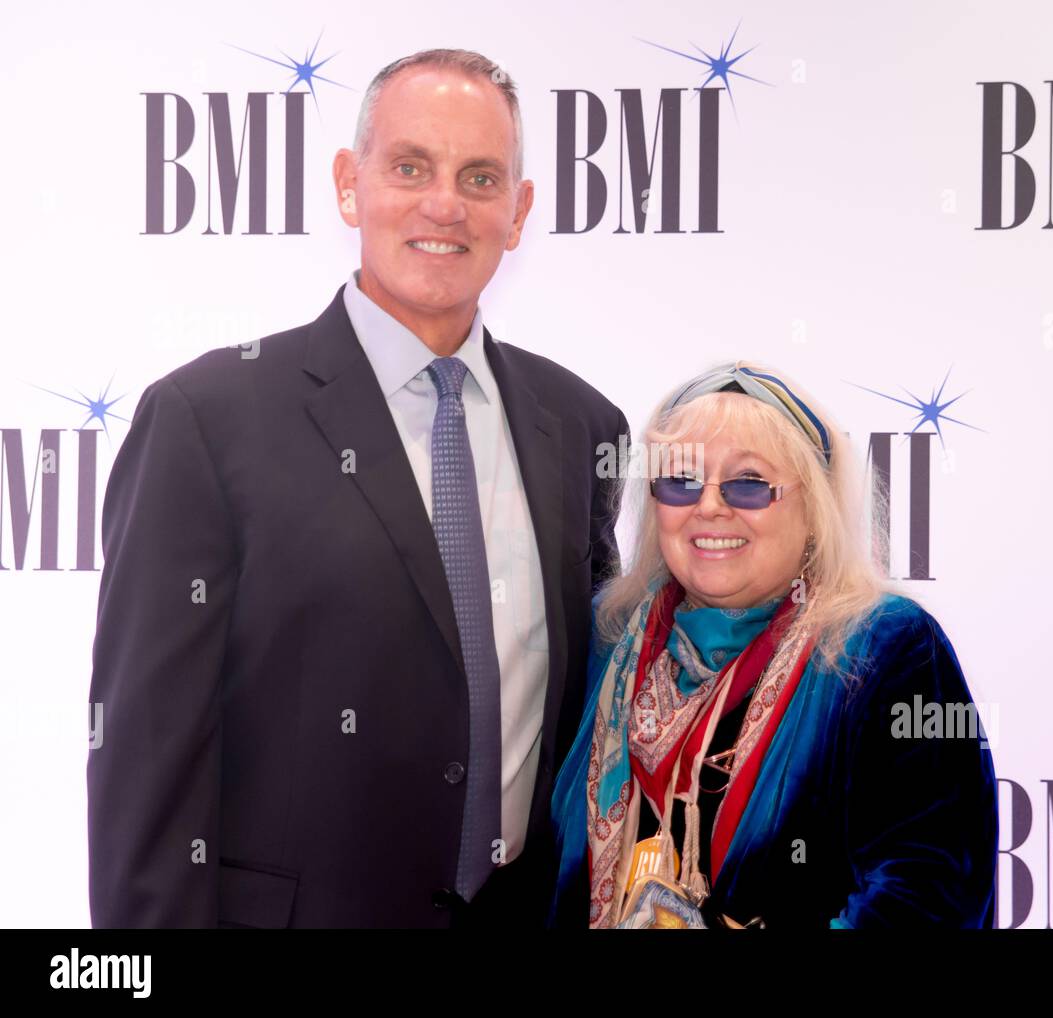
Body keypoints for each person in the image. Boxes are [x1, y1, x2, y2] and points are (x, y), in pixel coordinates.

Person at [87, 48, 628, 927]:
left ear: (519, 212)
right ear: (350, 184)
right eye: (410, 167)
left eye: (480, 177)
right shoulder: (206, 419)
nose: (444, 205)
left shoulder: (582, 426)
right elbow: (147, 763)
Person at [549, 362, 997, 928]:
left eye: (749, 484)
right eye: (681, 480)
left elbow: (930, 890)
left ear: (813, 510)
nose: (709, 506)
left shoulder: (887, 645)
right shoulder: (608, 636)